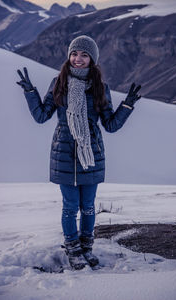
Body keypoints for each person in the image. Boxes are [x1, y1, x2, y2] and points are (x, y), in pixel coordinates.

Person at [17, 35, 141, 270]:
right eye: (75, 53)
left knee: (88, 206)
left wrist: (127, 105)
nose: (78, 59)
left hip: (91, 154)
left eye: (84, 55)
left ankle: (86, 248)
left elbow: (111, 125)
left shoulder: (99, 88)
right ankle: (73, 249)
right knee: (70, 206)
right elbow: (41, 115)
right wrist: (30, 92)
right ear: (69, 56)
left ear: (92, 59)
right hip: (64, 153)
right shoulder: (58, 83)